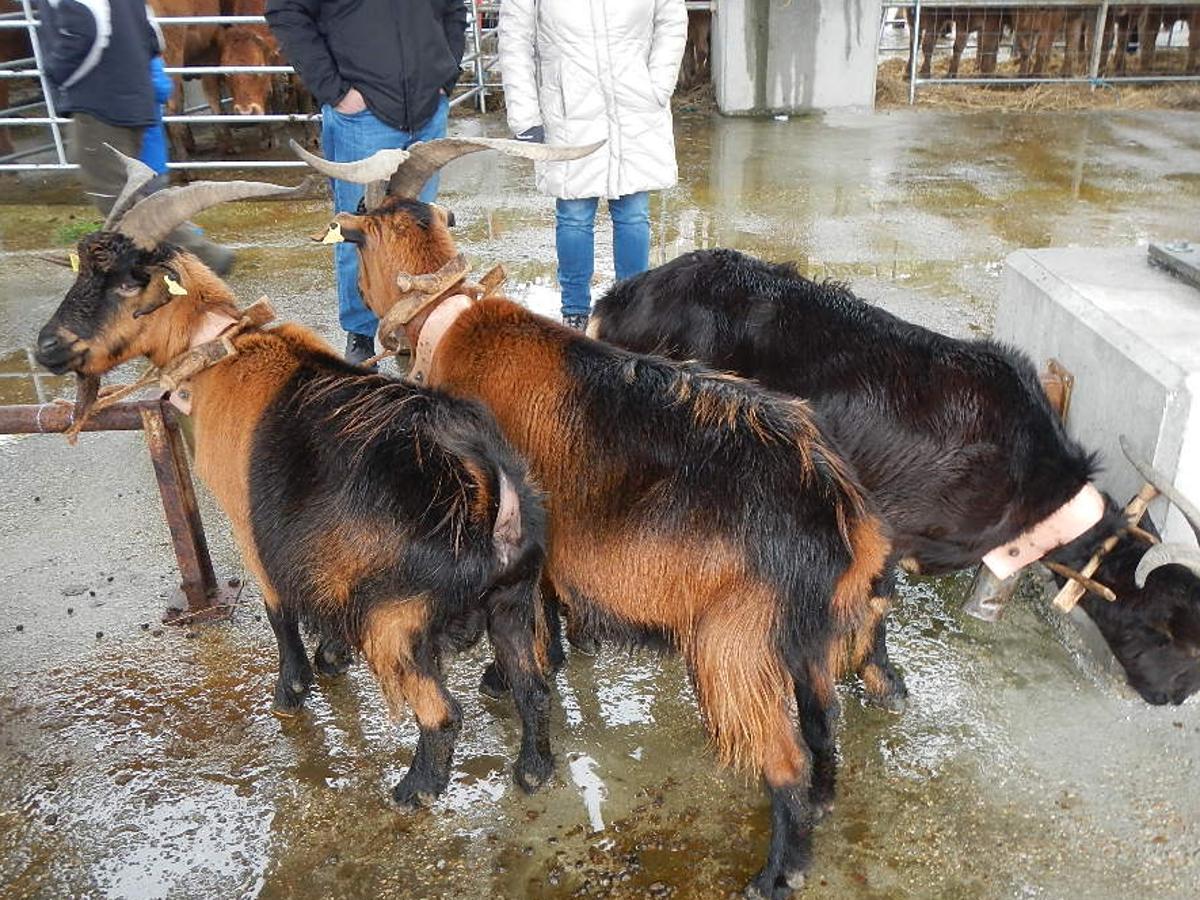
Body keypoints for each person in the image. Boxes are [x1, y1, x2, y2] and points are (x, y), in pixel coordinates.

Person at [267, 0, 467, 365]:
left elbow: (453, 7)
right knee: (359, 230)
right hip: (362, 114)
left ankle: (415, 326)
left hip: (427, 107)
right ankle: (360, 331)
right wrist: (336, 91)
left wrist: (445, 74)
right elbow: (286, 10)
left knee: (419, 228)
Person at [499, 0, 687, 331]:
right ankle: (575, 313)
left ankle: (632, 310)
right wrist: (525, 113)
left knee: (633, 212)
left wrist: (657, 83)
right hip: (569, 107)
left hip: (634, 107)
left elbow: (671, 18)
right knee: (574, 215)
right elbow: (515, 37)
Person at [35, 0, 234, 274]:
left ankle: (203, 256)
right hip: (134, 97)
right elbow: (153, 35)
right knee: (135, 195)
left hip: (100, 102)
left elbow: (83, 30)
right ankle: (160, 262)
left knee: (117, 200)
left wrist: (61, 76)